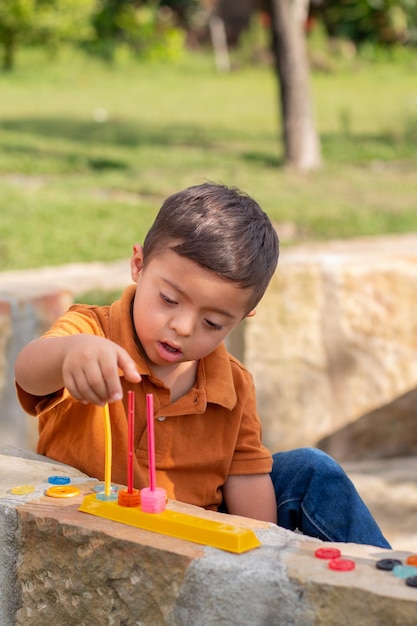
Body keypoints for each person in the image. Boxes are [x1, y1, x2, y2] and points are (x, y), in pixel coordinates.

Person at [14, 182, 390, 549]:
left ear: (245, 315)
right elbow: (28, 373)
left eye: (213, 323)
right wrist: (70, 353)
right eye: (168, 299)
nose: (182, 327)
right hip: (98, 529)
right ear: (138, 264)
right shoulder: (92, 331)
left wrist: (259, 556)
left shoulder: (234, 384)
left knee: (312, 470)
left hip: (194, 540)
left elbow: (247, 481)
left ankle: (392, 589)